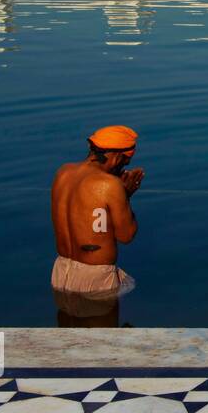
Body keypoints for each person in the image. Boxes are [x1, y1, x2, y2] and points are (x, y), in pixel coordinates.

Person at [49, 126, 143, 299]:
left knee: (65, 324)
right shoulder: (110, 185)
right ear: (116, 157)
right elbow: (126, 235)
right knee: (102, 326)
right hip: (96, 278)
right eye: (125, 162)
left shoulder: (63, 173)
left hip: (61, 272)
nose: (123, 169)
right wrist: (126, 196)